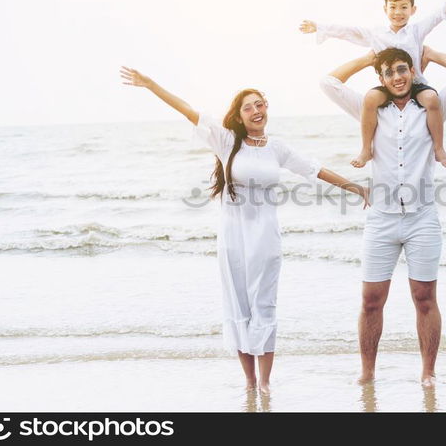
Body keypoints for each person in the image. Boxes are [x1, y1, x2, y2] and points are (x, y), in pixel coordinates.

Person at [120, 66, 370, 394]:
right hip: (233, 239)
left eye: (260, 104)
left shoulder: (276, 148)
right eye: (248, 106)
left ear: (267, 109)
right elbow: (187, 110)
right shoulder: (226, 141)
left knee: (263, 304)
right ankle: (249, 382)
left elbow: (314, 169)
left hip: (265, 239)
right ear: (238, 116)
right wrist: (151, 83)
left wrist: (357, 188)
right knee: (238, 304)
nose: (256, 110)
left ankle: (265, 382)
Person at [319, 46, 446, 386]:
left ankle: (428, 373)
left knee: (424, 297)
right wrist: (369, 58)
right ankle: (367, 374)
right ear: (382, 78)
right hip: (381, 219)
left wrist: (432, 53)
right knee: (371, 300)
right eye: (389, 72)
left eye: (402, 69)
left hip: (422, 217)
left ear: (413, 70)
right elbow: (329, 82)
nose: (397, 77)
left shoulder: (433, 105)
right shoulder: (370, 106)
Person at [300, 0, 446, 168]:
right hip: (387, 88)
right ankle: (365, 149)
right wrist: (320, 27)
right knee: (370, 99)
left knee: (432, 99)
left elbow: (436, 17)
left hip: (416, 86)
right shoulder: (376, 34)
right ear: (385, 9)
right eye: (393, 7)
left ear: (413, 10)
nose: (398, 12)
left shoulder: (416, 31)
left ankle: (439, 149)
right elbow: (349, 31)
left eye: (404, 7)